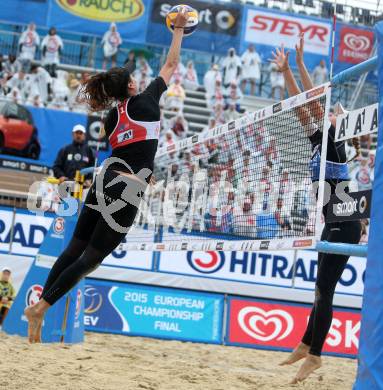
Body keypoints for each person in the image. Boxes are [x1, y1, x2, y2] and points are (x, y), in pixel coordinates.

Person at [24, 7, 190, 343]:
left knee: (74, 248)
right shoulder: (146, 100)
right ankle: (41, 307)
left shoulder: (111, 118)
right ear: (130, 84)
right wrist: (178, 31)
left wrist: (145, 169)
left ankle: (38, 304)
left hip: (105, 178)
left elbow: (131, 148)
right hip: (127, 185)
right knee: (92, 258)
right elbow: (170, 66)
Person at [271, 35, 361, 383]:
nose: (330, 113)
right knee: (319, 289)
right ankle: (306, 344)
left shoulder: (334, 144)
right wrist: (286, 71)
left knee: (325, 291)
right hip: (332, 222)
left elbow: (316, 99)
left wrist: (301, 66)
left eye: (335, 113)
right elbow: (300, 103)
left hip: (346, 222)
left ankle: (317, 355)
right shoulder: (317, 143)